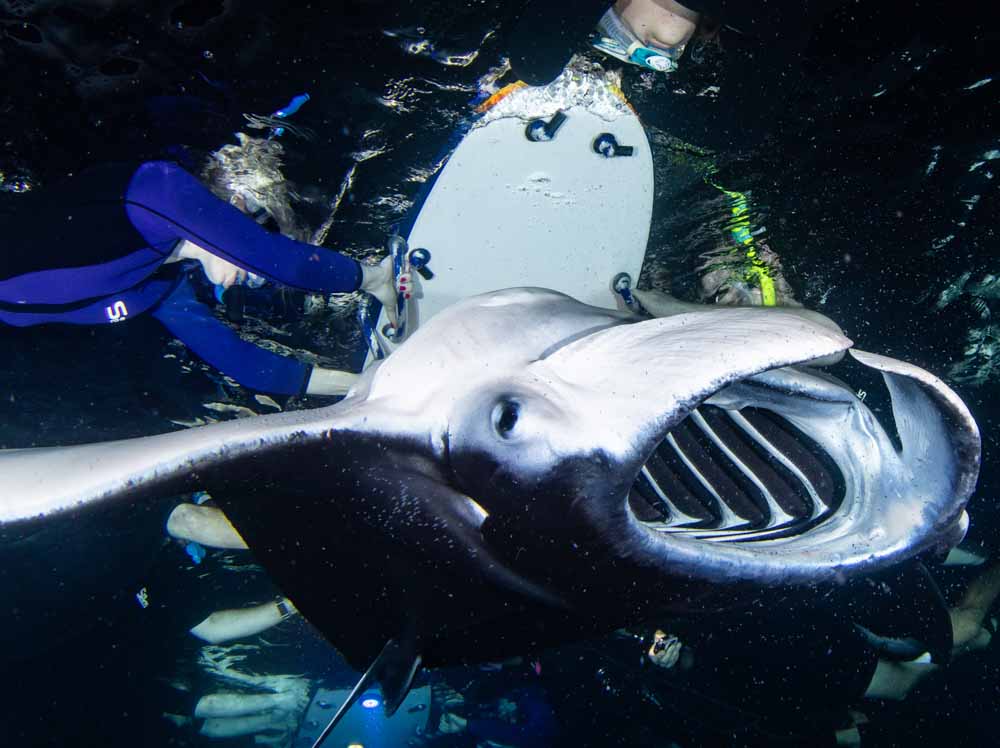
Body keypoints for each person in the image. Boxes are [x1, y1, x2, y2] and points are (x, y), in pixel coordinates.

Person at [0, 138, 406, 397]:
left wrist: (366, 388)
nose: (255, 271)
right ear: (227, 206)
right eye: (253, 223)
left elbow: (246, 366)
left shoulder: (157, 281)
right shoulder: (155, 191)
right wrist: (373, 278)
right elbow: (282, 263)